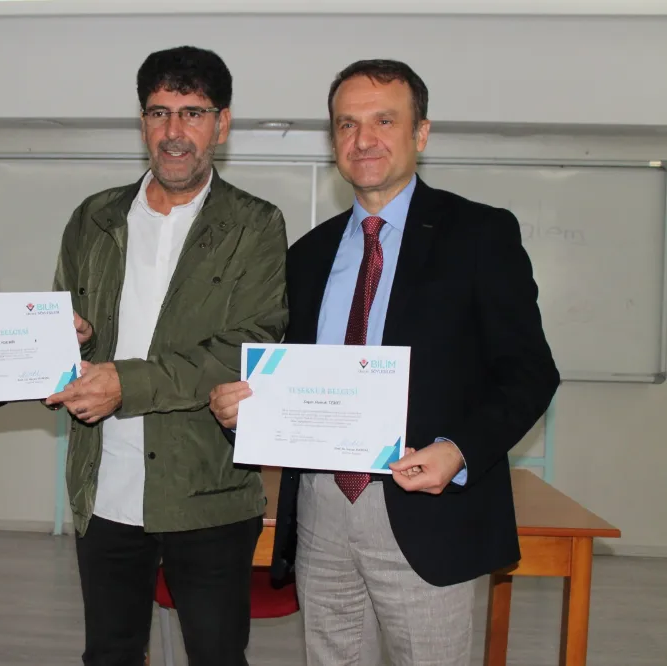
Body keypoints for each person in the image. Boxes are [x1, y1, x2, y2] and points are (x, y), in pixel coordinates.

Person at [209, 59, 559, 666]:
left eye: (384, 121)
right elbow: (293, 377)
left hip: (427, 508)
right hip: (321, 508)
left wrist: (459, 450)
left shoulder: (479, 234)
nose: (363, 139)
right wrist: (244, 406)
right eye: (347, 124)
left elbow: (530, 371)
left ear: (421, 133)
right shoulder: (308, 255)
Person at [44, 45, 288, 666]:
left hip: (208, 490)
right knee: (110, 655)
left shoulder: (256, 225)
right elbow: (61, 327)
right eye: (159, 113)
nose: (174, 132)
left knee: (216, 656)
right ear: (142, 122)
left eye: (193, 113)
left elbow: (246, 348)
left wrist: (125, 384)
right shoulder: (93, 218)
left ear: (221, 124)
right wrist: (64, 341)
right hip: (104, 490)